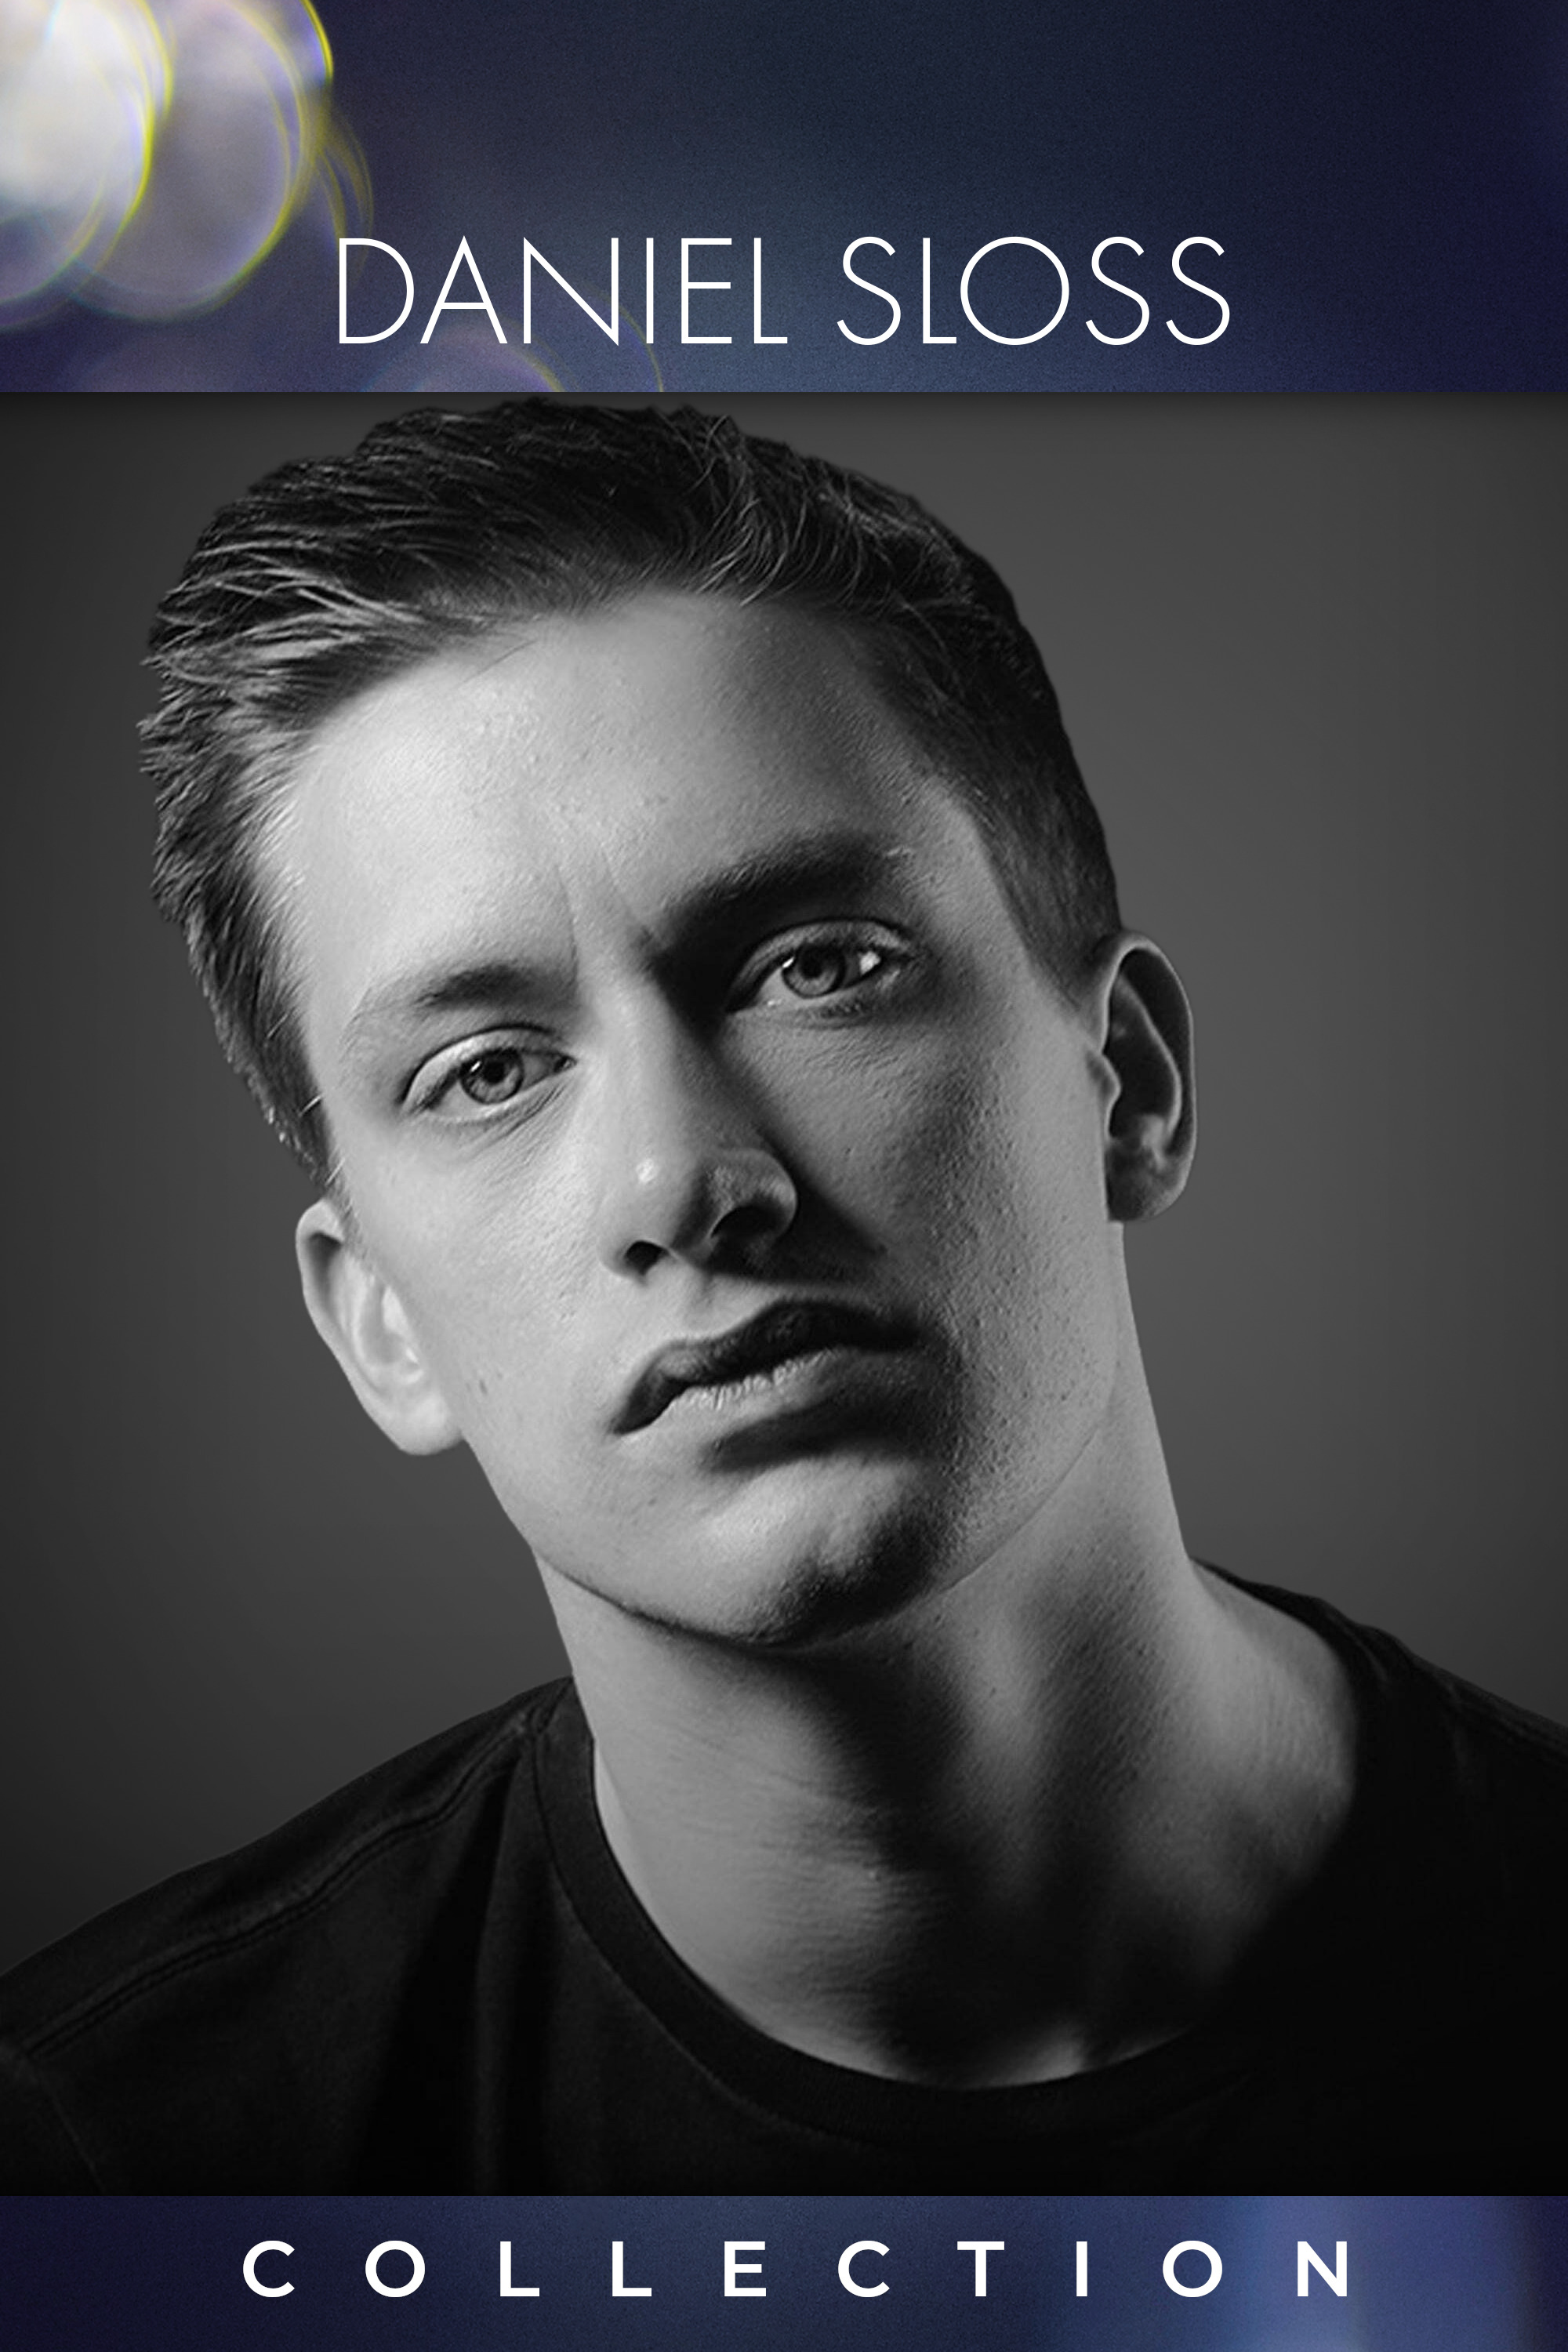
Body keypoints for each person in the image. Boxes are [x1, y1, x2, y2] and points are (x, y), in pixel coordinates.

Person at [1, 400, 1562, 2191]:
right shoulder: (100, 2169)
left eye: (817, 968)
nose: (682, 1182)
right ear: (379, 1324)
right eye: (488, 1071)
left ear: (1125, 1084)